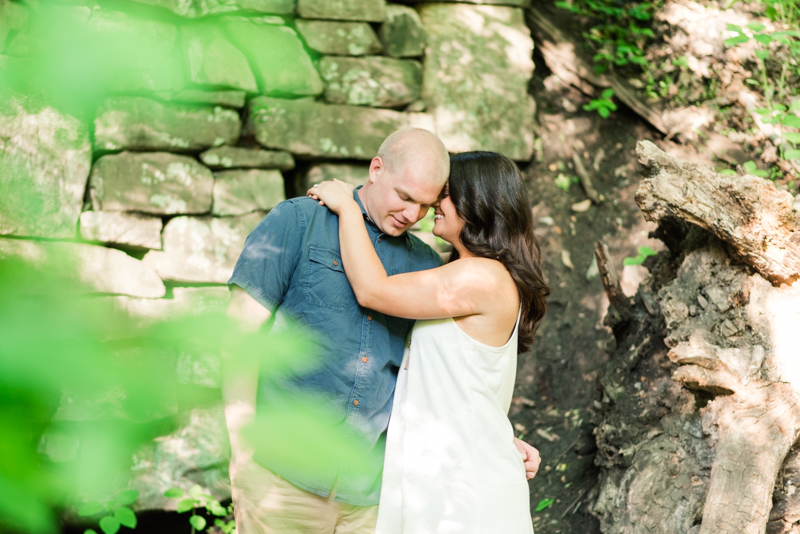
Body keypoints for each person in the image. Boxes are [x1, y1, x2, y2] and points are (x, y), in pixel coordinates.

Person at [222, 129, 541, 534]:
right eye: (406, 197)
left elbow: (433, 364)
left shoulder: (432, 266)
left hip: (371, 496)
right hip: (283, 477)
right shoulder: (299, 221)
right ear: (376, 169)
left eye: (427, 204)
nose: (414, 215)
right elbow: (238, 336)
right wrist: (242, 447)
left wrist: (494, 439)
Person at [307, 150, 549, 533]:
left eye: (449, 193)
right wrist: (503, 435)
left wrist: (349, 209)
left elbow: (373, 291)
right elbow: (458, 380)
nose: (437, 202)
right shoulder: (470, 274)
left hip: (462, 489)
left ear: (480, 202)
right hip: (445, 475)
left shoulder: (482, 277)